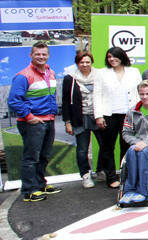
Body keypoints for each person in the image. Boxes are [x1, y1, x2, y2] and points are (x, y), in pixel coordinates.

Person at [9, 42, 59, 202]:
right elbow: (14, 101)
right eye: (38, 54)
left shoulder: (50, 73)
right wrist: (30, 117)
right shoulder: (23, 76)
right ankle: (29, 190)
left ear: (48, 55)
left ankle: (40, 183)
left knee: (44, 155)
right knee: (31, 157)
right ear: (31, 55)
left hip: (49, 120)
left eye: (44, 54)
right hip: (33, 122)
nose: (41, 57)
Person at [94, 46, 143, 189]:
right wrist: (98, 116)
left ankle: (126, 175)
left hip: (129, 115)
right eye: (109, 57)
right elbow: (96, 95)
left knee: (126, 146)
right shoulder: (102, 73)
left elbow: (139, 93)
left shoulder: (133, 72)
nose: (112, 59)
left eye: (114, 56)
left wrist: (139, 113)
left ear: (122, 57)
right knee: (107, 147)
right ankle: (111, 177)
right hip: (108, 115)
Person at [62, 50, 101, 188]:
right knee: (82, 149)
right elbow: (66, 102)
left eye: (87, 62)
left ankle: (101, 170)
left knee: (105, 146)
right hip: (79, 118)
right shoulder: (70, 78)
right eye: (81, 62)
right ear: (77, 63)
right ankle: (85, 175)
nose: (84, 64)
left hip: (97, 116)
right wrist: (68, 122)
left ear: (92, 62)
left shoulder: (99, 75)